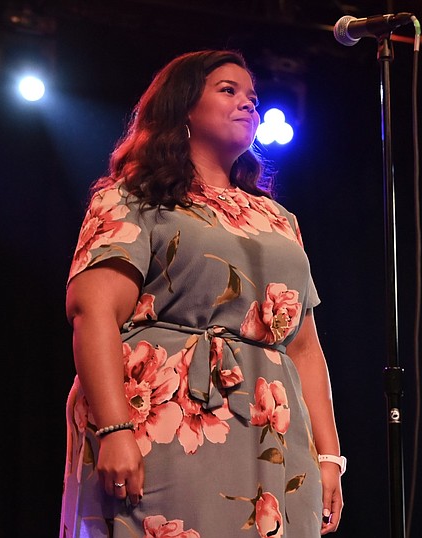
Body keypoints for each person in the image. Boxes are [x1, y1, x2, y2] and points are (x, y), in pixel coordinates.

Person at [59, 49, 344, 538]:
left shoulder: (279, 221)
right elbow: (94, 312)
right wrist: (113, 429)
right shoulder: (131, 196)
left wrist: (328, 456)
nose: (248, 105)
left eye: (253, 97)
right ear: (182, 106)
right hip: (165, 421)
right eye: (228, 90)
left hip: (269, 426)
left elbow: (303, 346)